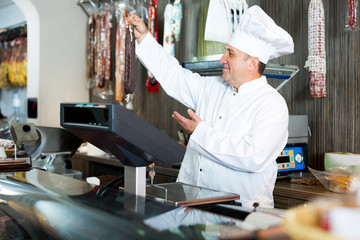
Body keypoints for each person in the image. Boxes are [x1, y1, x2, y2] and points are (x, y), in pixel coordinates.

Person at [127, 5, 294, 208]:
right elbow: (174, 76)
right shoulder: (213, 86)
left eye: (230, 54)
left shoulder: (271, 104)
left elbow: (253, 157)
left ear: (252, 63)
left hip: (239, 214)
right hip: (191, 203)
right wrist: (144, 39)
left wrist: (200, 132)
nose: (222, 59)